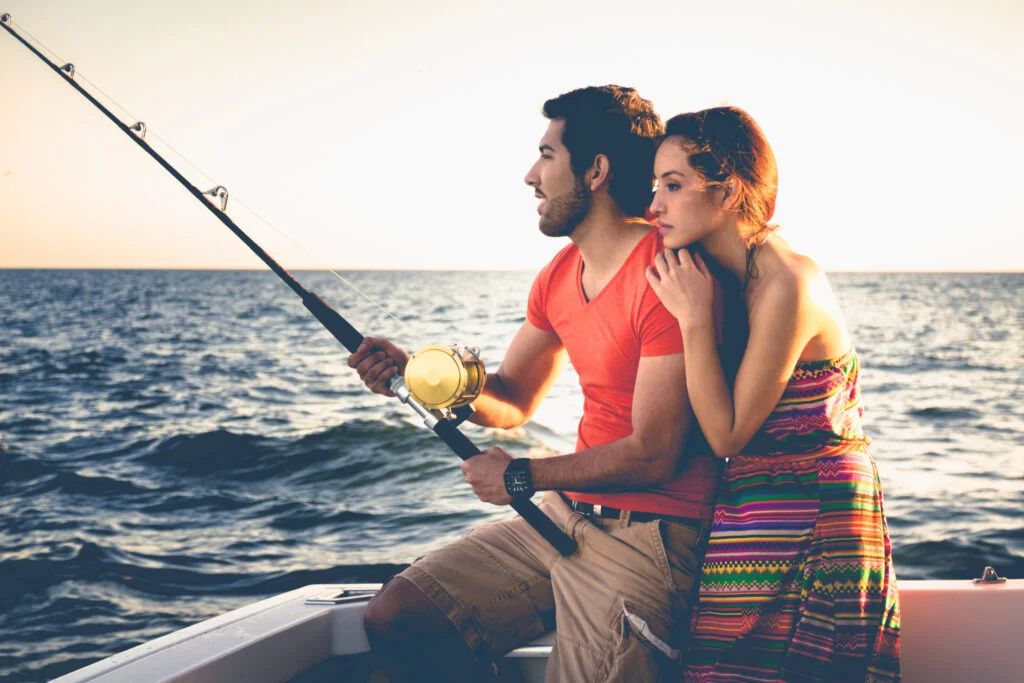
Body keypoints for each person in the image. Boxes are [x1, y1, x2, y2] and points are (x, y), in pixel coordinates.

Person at [346, 85, 722, 682]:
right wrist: (420, 376)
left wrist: (520, 476)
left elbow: (655, 454)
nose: (530, 175)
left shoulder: (667, 275)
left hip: (650, 535)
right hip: (562, 518)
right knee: (400, 617)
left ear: (596, 171)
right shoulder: (558, 275)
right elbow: (513, 398)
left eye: (547, 155)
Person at [645, 106, 902, 681]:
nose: (654, 204)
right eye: (654, 185)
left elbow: (726, 433)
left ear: (730, 191)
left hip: (817, 516)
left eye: (673, 185)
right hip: (755, 507)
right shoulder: (727, 274)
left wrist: (692, 321)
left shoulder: (787, 279)